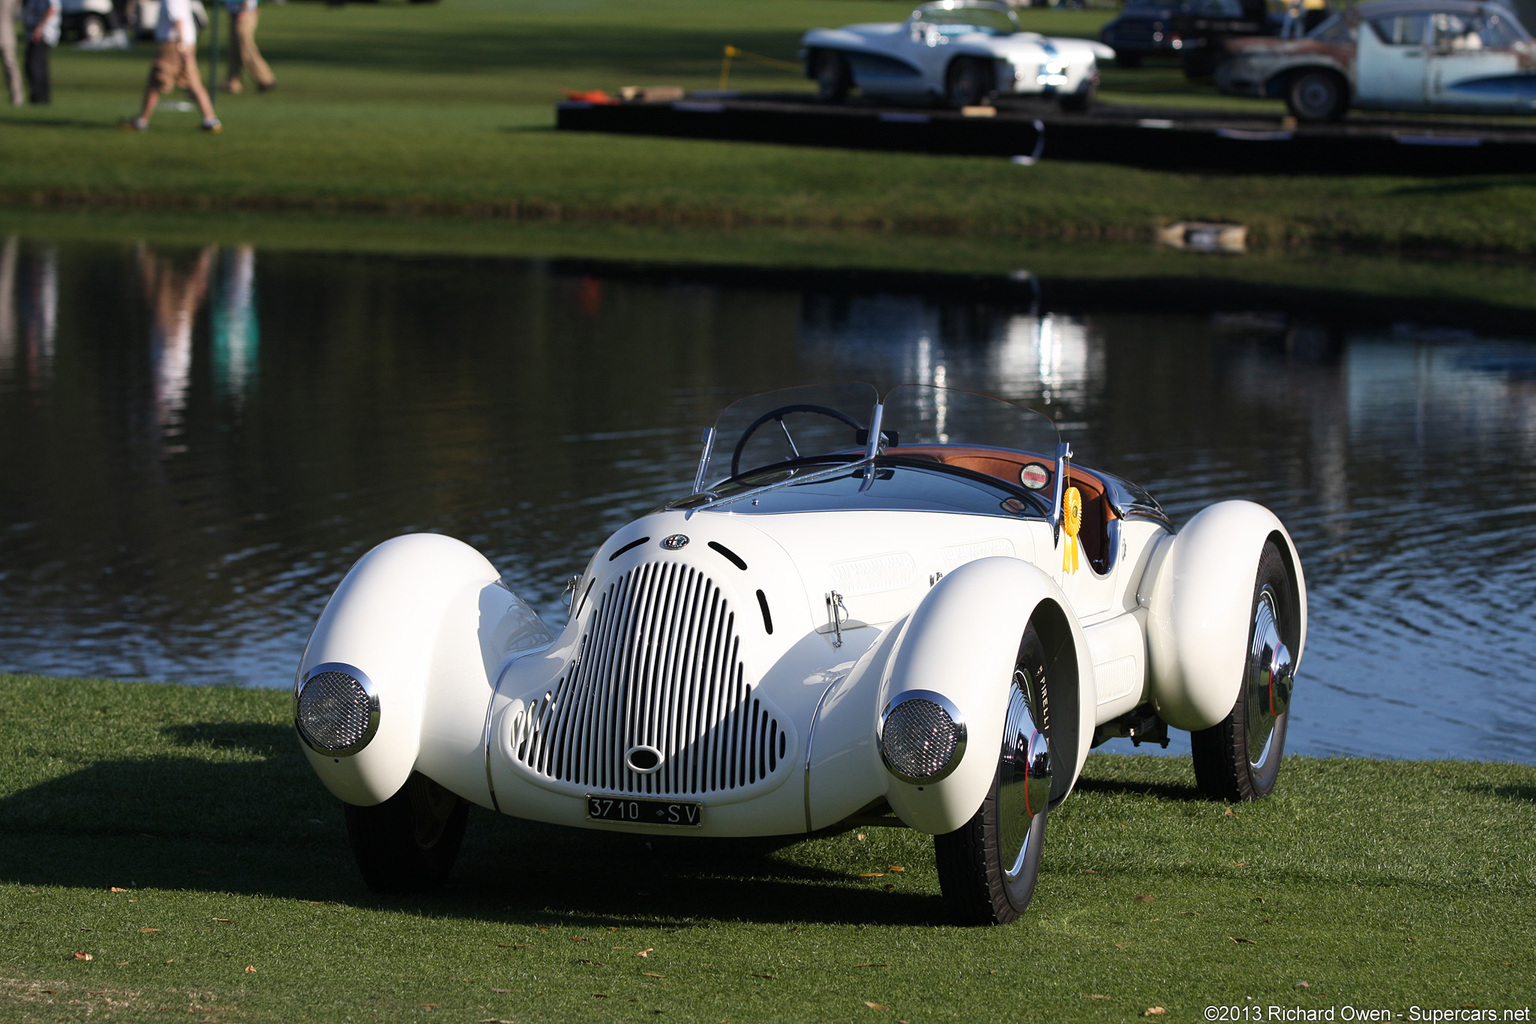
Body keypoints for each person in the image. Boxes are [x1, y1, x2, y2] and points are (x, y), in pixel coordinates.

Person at [122, 0, 221, 132]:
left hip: (173, 44)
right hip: (184, 43)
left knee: (155, 83)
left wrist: (181, 44)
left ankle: (142, 121)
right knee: (193, 83)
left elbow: (178, 18)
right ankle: (210, 120)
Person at [223, 0, 274, 94]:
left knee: (246, 50)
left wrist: (244, 10)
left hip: (244, 13)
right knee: (234, 49)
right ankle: (233, 82)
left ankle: (265, 79)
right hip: (236, 13)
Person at [21, 0, 58, 105]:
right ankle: (38, 97)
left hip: (43, 34)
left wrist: (40, 27)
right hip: (33, 33)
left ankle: (40, 97)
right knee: (34, 65)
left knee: (35, 66)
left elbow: (52, 8)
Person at [0, 0, 24, 106]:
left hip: (5, 32)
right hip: (6, 31)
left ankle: (17, 96)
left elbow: (16, 11)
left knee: (10, 64)